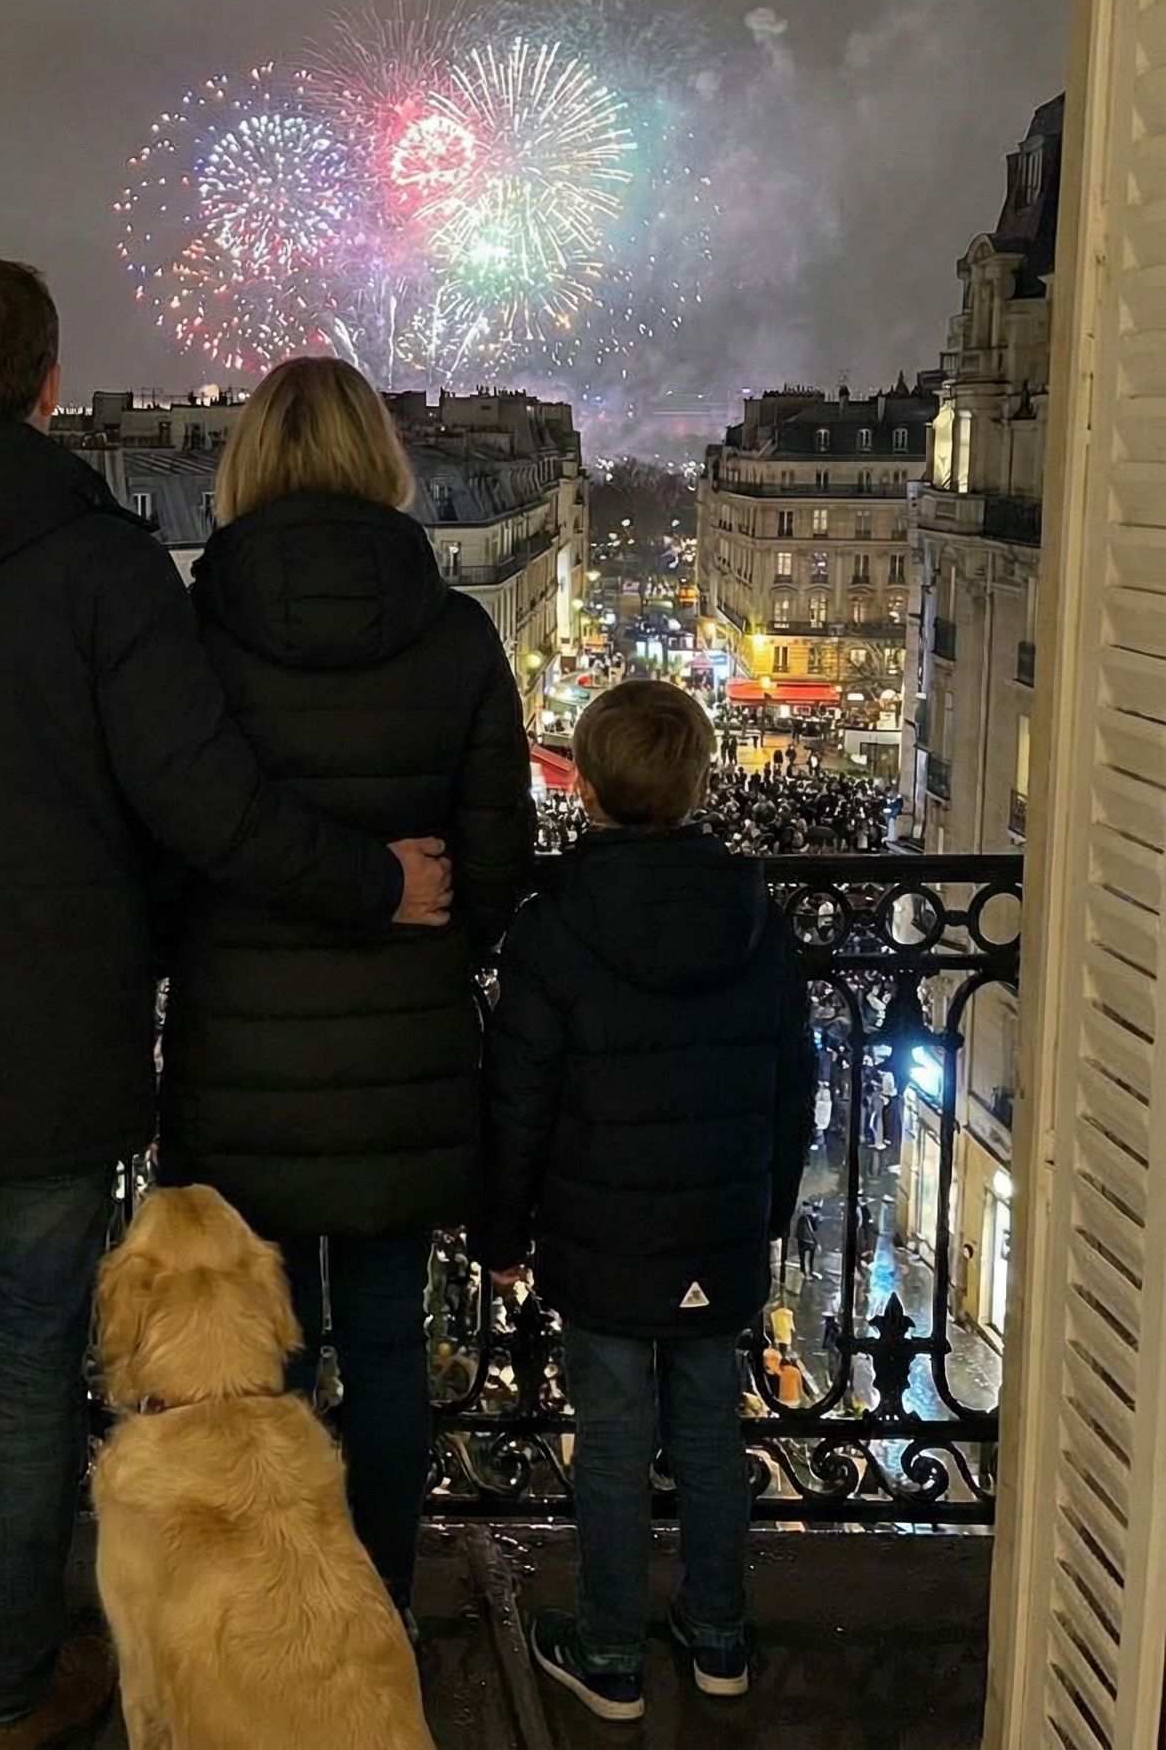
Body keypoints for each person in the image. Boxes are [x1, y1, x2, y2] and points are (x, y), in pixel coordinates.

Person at [0, 257, 452, 1750]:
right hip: (55, 1043)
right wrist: (372, 884)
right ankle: (8, 1689)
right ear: (51, 388)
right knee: (30, 1370)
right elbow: (205, 806)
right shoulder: (103, 566)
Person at [154, 356, 535, 1620]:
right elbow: (497, 866)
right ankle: (371, 1598)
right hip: (402, 1062)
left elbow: (176, 835)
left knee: (262, 1353)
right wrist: (423, 919)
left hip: (240, 1058)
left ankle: (268, 1600)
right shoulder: (457, 633)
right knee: (383, 1348)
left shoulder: (193, 635)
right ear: (382, 458)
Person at [480, 680, 813, 1722]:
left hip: (599, 1230)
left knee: (613, 1439)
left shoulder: (553, 925)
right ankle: (717, 1635)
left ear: (582, 787)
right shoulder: (757, 920)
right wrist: (763, 1208)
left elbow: (518, 1093)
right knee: (711, 1435)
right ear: (699, 783)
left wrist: (501, 1229)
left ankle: (610, 1650)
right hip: (715, 1226)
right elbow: (792, 1085)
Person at [794, 1203, 820, 1279]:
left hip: (801, 1239)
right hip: (810, 1241)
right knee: (810, 1258)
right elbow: (815, 1229)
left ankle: (803, 1272)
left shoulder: (801, 1218)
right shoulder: (812, 1218)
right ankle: (809, 1272)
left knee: (802, 1257)